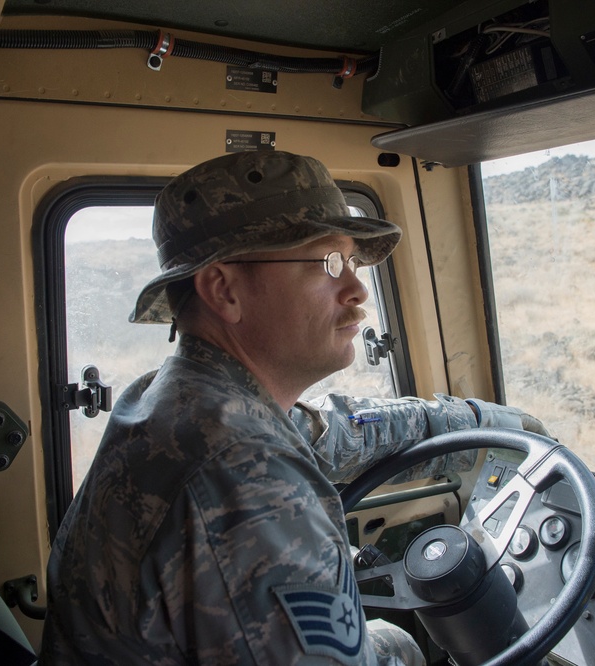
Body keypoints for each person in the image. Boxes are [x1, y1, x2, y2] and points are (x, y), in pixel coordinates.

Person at [41, 150, 550, 665]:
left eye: (352, 262)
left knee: (395, 642)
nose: (357, 290)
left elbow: (337, 430)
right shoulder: (245, 479)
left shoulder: (183, 398)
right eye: (328, 263)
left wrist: (479, 423)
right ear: (224, 290)